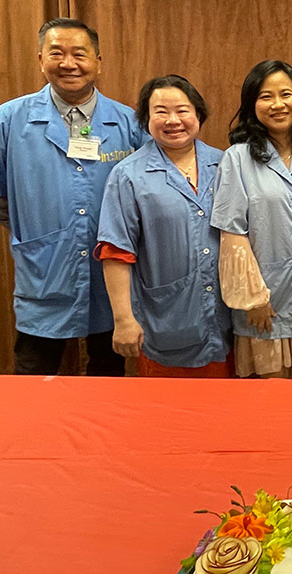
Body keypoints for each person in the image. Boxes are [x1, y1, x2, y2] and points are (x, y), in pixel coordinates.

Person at [0, 18, 146, 376]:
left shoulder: (129, 122)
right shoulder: (7, 120)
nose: (69, 63)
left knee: (108, 376)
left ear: (98, 61)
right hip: (44, 267)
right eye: (56, 54)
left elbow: (149, 193)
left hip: (110, 271)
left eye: (79, 54)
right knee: (34, 376)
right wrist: (35, 227)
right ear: (40, 60)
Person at [96, 76, 231, 376]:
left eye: (182, 110)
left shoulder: (225, 164)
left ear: (198, 114)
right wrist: (123, 319)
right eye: (160, 111)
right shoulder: (128, 175)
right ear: (146, 119)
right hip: (166, 318)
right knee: (165, 403)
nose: (173, 120)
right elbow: (115, 251)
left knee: (229, 402)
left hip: (227, 320)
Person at [210, 61, 292, 379]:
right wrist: (253, 297)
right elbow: (231, 233)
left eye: (286, 94)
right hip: (266, 303)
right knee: (272, 398)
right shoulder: (237, 158)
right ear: (252, 105)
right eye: (266, 96)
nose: (278, 104)